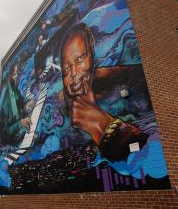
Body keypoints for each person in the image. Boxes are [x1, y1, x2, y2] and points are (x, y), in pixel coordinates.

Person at [60, 23, 147, 162]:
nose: (74, 73)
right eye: (66, 70)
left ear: (92, 56)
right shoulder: (59, 111)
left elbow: (145, 153)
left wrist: (100, 122)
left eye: (80, 59)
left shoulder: (128, 80)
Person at [0, 65, 32, 146]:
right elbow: (6, 131)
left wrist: (27, 104)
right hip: (12, 141)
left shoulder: (14, 88)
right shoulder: (5, 103)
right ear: (9, 77)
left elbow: (22, 100)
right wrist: (19, 124)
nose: (17, 76)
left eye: (16, 73)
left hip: (20, 130)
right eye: (14, 74)